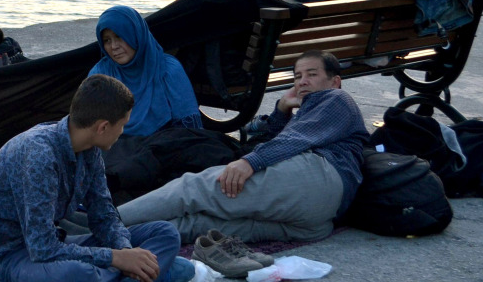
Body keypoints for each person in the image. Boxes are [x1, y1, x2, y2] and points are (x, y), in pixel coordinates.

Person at [116, 51, 368, 244]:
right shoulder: (314, 115)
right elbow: (259, 136)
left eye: (311, 75)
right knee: (200, 224)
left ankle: (101, 222)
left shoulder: (337, 99)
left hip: (320, 179)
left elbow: (293, 140)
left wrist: (250, 162)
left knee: (193, 188)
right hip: (319, 221)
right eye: (297, 77)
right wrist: (282, 108)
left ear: (335, 81)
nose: (302, 82)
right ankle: (111, 238)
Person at [0, 75, 193, 282]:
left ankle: (128, 274)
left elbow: (104, 215)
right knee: (80, 273)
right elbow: (42, 249)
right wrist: (114, 258)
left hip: (53, 245)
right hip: (9, 257)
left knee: (165, 233)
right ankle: (150, 273)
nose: (122, 132)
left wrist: (126, 252)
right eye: (123, 124)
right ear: (103, 127)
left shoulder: (90, 150)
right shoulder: (39, 155)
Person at [89, 6, 202, 137]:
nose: (114, 46)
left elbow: (189, 128)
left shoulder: (167, 69)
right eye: (107, 41)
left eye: (119, 36)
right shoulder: (101, 74)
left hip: (163, 148)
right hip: (114, 149)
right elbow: (91, 127)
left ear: (135, 34)